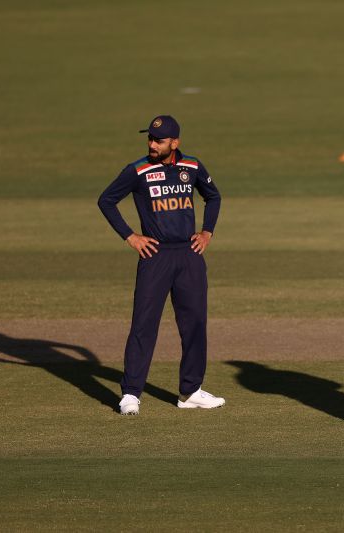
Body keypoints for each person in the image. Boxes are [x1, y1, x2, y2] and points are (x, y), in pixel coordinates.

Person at [97, 115, 225, 415]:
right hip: (154, 256)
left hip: (189, 255)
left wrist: (207, 231)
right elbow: (106, 200)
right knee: (144, 324)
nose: (152, 144)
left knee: (194, 324)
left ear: (175, 143)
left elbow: (213, 196)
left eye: (159, 140)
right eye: (150, 139)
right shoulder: (138, 170)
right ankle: (130, 393)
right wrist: (130, 237)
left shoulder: (192, 166)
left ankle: (190, 391)